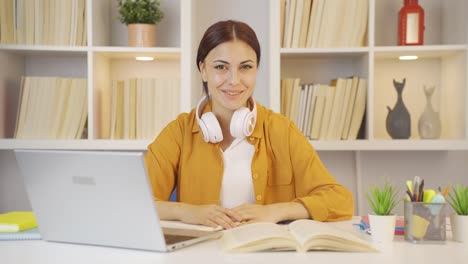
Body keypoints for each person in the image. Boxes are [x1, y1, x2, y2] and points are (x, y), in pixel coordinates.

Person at [144, 20, 354, 229]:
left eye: (245, 67)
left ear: (256, 70)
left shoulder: (281, 131)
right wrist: (187, 212)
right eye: (221, 67)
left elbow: (340, 201)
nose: (234, 80)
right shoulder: (178, 132)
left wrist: (277, 211)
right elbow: (135, 201)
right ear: (203, 70)